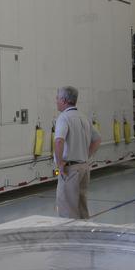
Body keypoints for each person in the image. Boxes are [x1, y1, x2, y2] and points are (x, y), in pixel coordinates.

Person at [53, 86, 101, 219]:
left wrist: (60, 163)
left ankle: (70, 238)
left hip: (70, 170)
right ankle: (85, 236)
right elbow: (97, 140)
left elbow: (59, 141)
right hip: (84, 168)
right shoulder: (84, 117)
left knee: (67, 210)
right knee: (81, 207)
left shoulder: (64, 118)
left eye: (57, 98)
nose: (56, 101)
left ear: (64, 100)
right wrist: (86, 155)